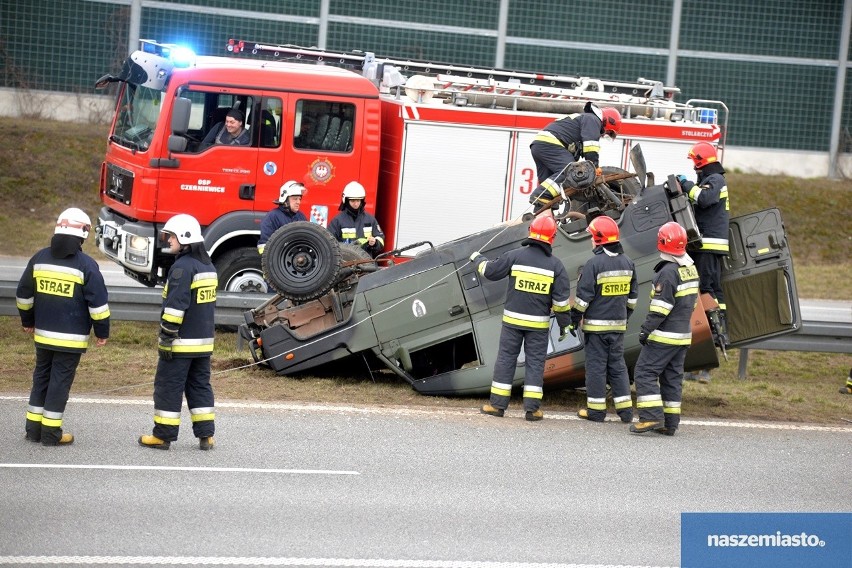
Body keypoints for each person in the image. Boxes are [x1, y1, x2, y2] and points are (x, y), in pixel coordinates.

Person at [16, 208, 110, 446]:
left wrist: (28, 321)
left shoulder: (39, 258)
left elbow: (23, 295)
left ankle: (33, 430)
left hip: (43, 336)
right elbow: (98, 305)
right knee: (59, 383)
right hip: (70, 341)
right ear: (82, 234)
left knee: (41, 378)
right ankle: (51, 434)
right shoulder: (86, 266)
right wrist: (102, 332)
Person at [471, 215, 572, 421]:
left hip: (512, 323)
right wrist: (564, 326)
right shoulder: (556, 266)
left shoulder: (515, 256)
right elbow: (561, 304)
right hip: (538, 326)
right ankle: (532, 410)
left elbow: (490, 271)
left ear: (531, 233)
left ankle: (497, 406)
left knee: (506, 360)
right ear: (552, 238)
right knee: (535, 363)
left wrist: (477, 258)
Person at [139, 214, 218, 450]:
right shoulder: (208, 265)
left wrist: (166, 337)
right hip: (203, 344)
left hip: (181, 343)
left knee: (167, 387)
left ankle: (163, 436)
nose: (167, 240)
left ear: (184, 238)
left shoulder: (182, 268)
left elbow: (175, 309)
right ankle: (206, 435)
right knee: (200, 387)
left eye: (171, 236)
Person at [630, 222, 700, 436]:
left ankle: (651, 417)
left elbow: (660, 309)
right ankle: (670, 423)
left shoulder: (667, 272)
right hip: (683, 335)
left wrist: (645, 330)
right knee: (672, 377)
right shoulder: (690, 269)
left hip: (664, 335)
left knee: (644, 372)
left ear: (661, 242)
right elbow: (693, 303)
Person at [571, 215, 638, 423]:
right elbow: (633, 298)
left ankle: (596, 412)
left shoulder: (594, 264)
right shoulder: (628, 263)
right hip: (618, 329)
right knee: (617, 367)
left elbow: (583, 299)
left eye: (592, 236)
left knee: (596, 369)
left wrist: (574, 318)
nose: (591, 239)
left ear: (599, 239)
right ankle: (626, 412)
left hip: (596, 330)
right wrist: (623, 317)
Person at [677, 141, 729, 384]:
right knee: (711, 292)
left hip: (708, 245)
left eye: (694, 162)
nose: (693, 167)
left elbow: (705, 199)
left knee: (705, 291)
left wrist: (686, 185)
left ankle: (712, 341)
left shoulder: (715, 180)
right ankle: (715, 340)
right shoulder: (713, 177)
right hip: (708, 245)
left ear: (700, 161)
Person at [528, 102, 622, 214]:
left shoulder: (585, 119)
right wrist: (594, 168)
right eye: (608, 132)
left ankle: (541, 212)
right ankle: (540, 195)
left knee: (549, 184)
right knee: (571, 173)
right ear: (608, 121)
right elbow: (590, 147)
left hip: (539, 145)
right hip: (551, 143)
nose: (603, 135)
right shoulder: (593, 120)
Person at [327, 181, 385, 257]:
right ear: (346, 201)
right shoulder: (337, 221)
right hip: (345, 262)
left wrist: (375, 243)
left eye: (358, 200)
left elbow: (380, 238)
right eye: (353, 201)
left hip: (366, 263)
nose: (356, 204)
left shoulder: (370, 219)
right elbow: (329, 243)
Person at [257, 180, 309, 255]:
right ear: (285, 200)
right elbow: (263, 247)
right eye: (295, 199)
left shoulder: (301, 217)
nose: (298, 202)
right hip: (277, 262)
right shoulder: (272, 217)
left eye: (299, 199)